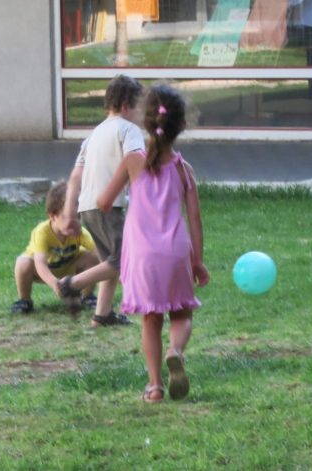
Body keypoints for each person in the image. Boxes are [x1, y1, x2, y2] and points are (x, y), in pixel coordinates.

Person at [97, 84, 210, 403]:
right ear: (182, 126)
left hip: (143, 255)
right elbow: (195, 220)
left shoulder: (133, 161)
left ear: (144, 122)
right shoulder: (183, 169)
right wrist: (198, 262)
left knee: (150, 319)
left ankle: (155, 387)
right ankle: (176, 350)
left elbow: (104, 201)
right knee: (182, 313)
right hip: (175, 254)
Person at [60, 75, 145, 328]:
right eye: (139, 107)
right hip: (110, 205)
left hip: (87, 207)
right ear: (126, 106)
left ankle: (102, 315)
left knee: (111, 260)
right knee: (122, 259)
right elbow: (135, 165)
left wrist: (69, 212)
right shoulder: (129, 130)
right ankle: (70, 285)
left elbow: (75, 176)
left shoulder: (94, 134)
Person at [10, 182, 99, 314]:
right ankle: (25, 300)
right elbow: (40, 264)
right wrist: (54, 284)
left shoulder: (80, 232)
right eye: (69, 217)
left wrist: (115, 270)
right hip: (42, 271)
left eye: (79, 217)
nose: (76, 222)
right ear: (52, 216)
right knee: (23, 262)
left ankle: (87, 297)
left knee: (91, 257)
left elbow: (99, 253)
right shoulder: (42, 232)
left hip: (69, 268)